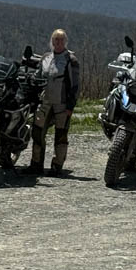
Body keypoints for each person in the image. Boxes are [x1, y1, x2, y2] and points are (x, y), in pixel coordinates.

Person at [29, 28, 80, 175]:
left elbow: (75, 86)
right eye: (56, 39)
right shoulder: (45, 57)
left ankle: (57, 166)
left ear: (66, 41)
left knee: (61, 135)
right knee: (37, 132)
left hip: (61, 103)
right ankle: (36, 164)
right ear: (52, 41)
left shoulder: (71, 60)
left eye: (61, 39)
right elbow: (38, 76)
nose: (58, 42)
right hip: (44, 102)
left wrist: (70, 106)